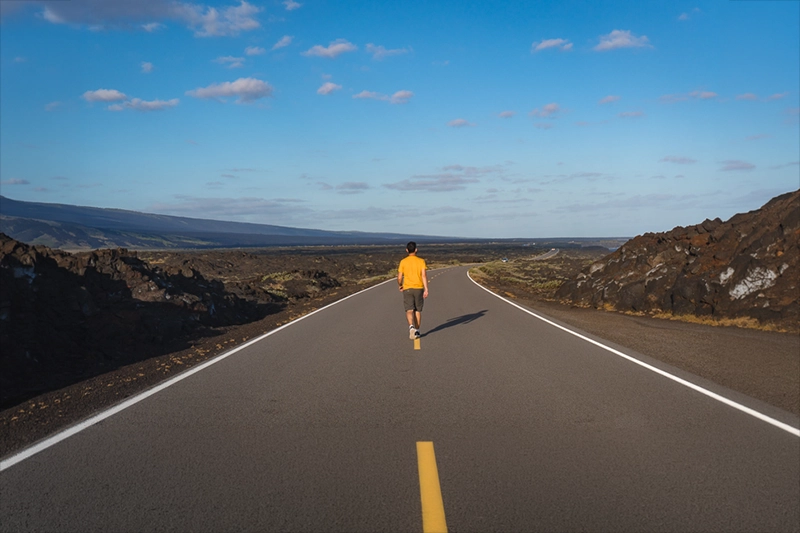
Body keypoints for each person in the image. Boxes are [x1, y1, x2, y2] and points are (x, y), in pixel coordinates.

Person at [397, 241, 429, 339]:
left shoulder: (403, 261)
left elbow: (399, 277)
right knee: (418, 310)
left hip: (407, 288)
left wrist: (400, 285)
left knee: (409, 309)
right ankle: (417, 330)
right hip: (419, 288)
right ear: (416, 250)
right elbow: (423, 275)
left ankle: (411, 327)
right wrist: (426, 289)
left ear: (407, 250)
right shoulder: (421, 261)